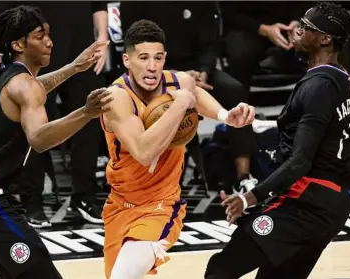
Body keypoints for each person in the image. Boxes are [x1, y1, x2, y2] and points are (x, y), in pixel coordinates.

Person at [0, 5, 111, 279]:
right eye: (40, 36)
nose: (50, 41)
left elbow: (36, 88)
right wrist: (86, 112)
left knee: (18, 272)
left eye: (48, 33)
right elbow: (39, 140)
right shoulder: (24, 85)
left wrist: (73, 68)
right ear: (18, 43)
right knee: (39, 270)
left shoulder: (5, 72)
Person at [204, 2, 350, 279]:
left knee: (221, 270)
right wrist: (257, 123)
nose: (297, 30)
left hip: (305, 202)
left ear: (325, 39)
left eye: (307, 27)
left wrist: (250, 197)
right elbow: (310, 136)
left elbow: (300, 160)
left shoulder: (317, 86)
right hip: (333, 203)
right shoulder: (346, 83)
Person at [100, 19, 255, 279]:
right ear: (126, 60)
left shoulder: (178, 82)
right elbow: (144, 151)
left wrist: (226, 115)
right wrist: (179, 105)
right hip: (120, 204)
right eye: (143, 58)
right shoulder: (117, 98)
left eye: (158, 58)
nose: (152, 67)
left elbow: (192, 89)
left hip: (161, 204)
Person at [0, 1, 110, 227]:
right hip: (37, 53)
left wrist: (102, 37)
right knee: (36, 128)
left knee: (91, 118)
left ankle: (84, 197)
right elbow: (1, 9)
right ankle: (32, 201)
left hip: (80, 49)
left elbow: (98, 4)